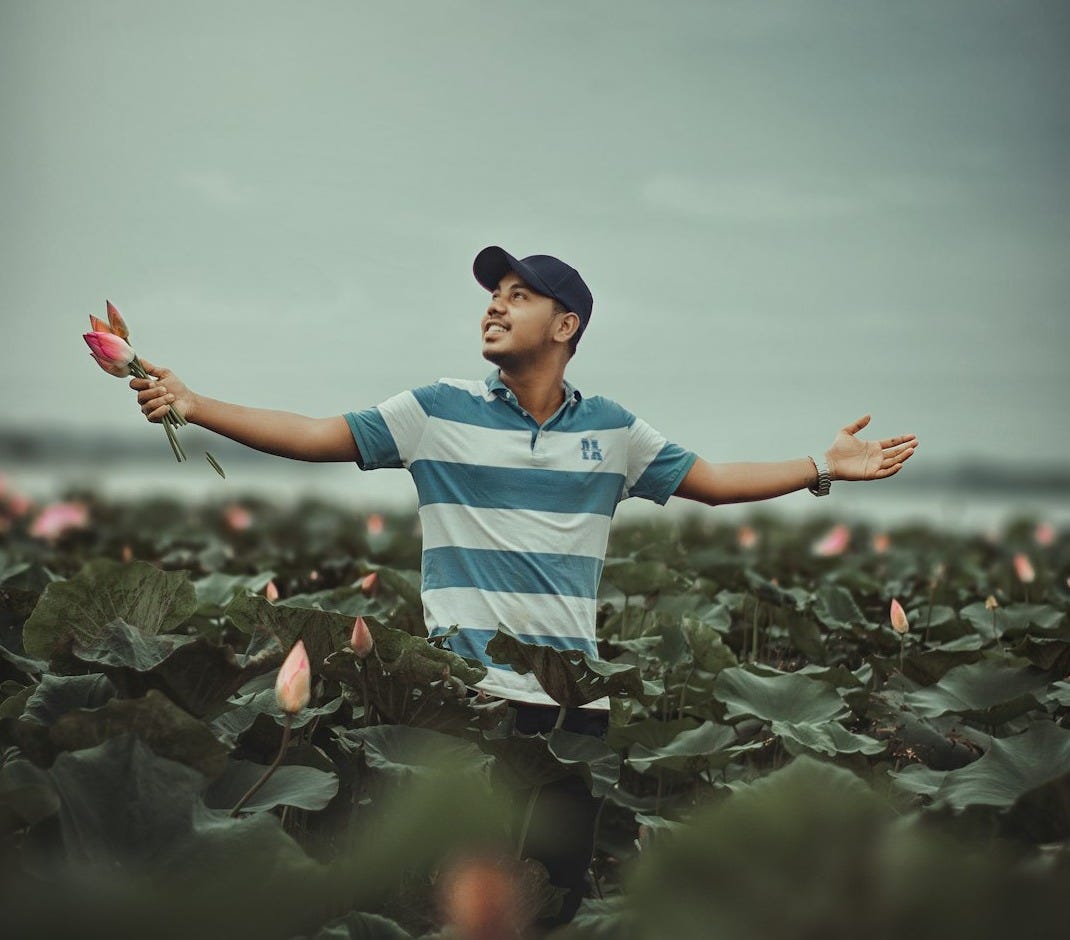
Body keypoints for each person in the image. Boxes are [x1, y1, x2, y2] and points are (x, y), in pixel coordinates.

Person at [131, 245, 917, 920]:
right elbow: (312, 435)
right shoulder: (433, 412)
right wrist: (194, 404)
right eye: (490, 297)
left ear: (566, 325)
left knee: (549, 909)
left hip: (573, 715)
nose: (493, 309)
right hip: (463, 704)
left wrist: (822, 467)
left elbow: (711, 480)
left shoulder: (613, 430)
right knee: (453, 908)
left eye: (518, 297)